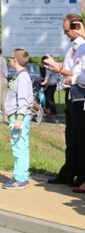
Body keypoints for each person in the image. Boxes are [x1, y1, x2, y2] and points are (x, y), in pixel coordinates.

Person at [43, 13, 85, 186]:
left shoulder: (82, 45)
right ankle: (69, 172)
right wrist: (57, 66)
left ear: (77, 26)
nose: (66, 33)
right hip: (72, 94)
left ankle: (79, 175)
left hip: (79, 94)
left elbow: (76, 73)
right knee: (72, 138)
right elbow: (71, 69)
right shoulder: (75, 46)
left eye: (67, 30)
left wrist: (60, 71)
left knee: (79, 139)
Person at [2, 48, 34, 190]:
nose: (9, 60)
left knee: (19, 148)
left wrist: (19, 119)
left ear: (15, 60)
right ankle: (21, 176)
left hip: (18, 118)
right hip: (17, 117)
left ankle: (21, 179)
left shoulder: (22, 78)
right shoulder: (21, 76)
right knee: (21, 147)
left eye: (10, 58)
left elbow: (23, 99)